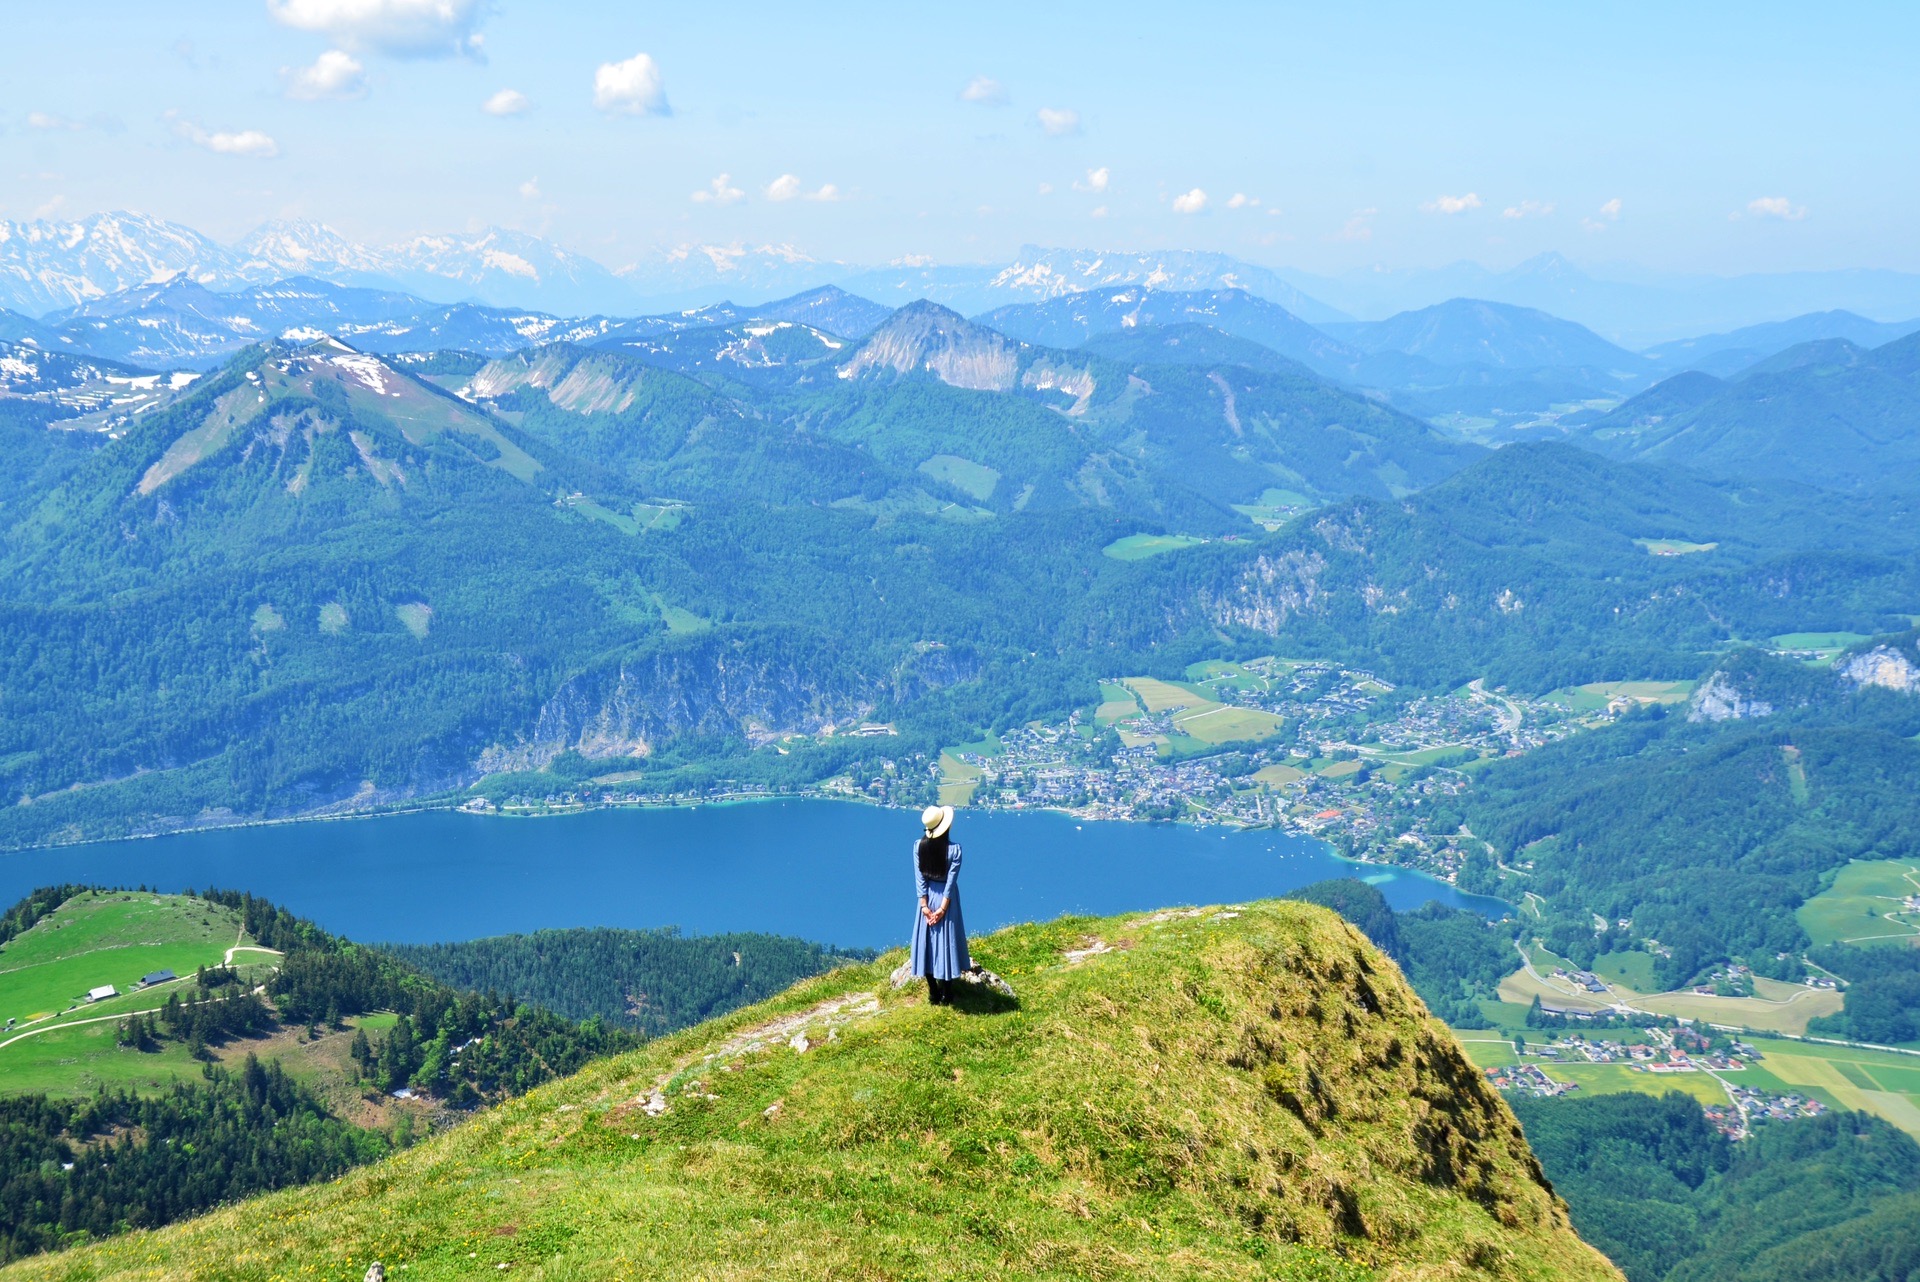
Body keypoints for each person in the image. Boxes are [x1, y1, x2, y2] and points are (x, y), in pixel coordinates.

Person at [910, 804, 971, 1004]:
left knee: (926, 944)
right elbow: (951, 883)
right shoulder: (955, 850)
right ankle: (947, 993)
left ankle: (932, 991)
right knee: (946, 943)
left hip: (927, 899)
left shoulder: (918, 846)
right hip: (946, 899)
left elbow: (920, 879)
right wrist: (942, 909)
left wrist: (925, 907)